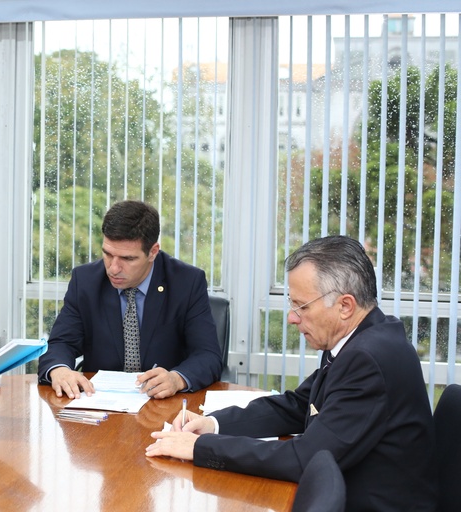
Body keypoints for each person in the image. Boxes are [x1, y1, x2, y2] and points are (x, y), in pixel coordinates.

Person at [146, 236, 438, 511]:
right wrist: (213, 424)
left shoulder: (368, 358)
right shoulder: (360, 336)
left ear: (345, 306)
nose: (291, 317)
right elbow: (299, 405)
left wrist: (201, 448)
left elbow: (305, 458)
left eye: (301, 306)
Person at [37, 200, 223, 399]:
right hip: (99, 402)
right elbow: (61, 343)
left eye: (127, 259)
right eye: (108, 254)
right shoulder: (85, 281)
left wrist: (177, 379)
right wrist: (59, 370)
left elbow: (208, 355)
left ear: (153, 252)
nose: (113, 268)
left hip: (164, 404)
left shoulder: (186, 282)